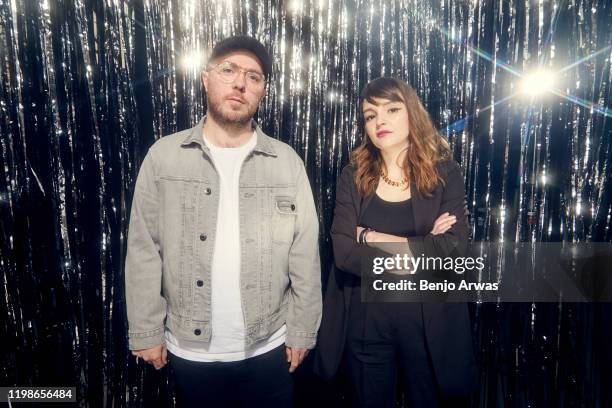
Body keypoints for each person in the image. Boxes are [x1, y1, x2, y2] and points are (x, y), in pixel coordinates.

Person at [125, 35, 322, 407]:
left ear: (262, 90)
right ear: (205, 78)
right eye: (228, 69)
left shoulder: (286, 162)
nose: (239, 83)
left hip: (270, 347)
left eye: (254, 76)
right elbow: (143, 249)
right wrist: (146, 331)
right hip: (190, 350)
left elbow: (304, 253)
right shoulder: (164, 157)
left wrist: (302, 330)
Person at [315, 77, 478, 407]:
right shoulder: (353, 175)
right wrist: (423, 245)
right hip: (364, 323)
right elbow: (345, 254)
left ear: (412, 114)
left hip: (427, 323)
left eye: (391, 109)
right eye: (370, 115)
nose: (380, 121)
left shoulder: (446, 173)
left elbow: (451, 253)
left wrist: (371, 236)